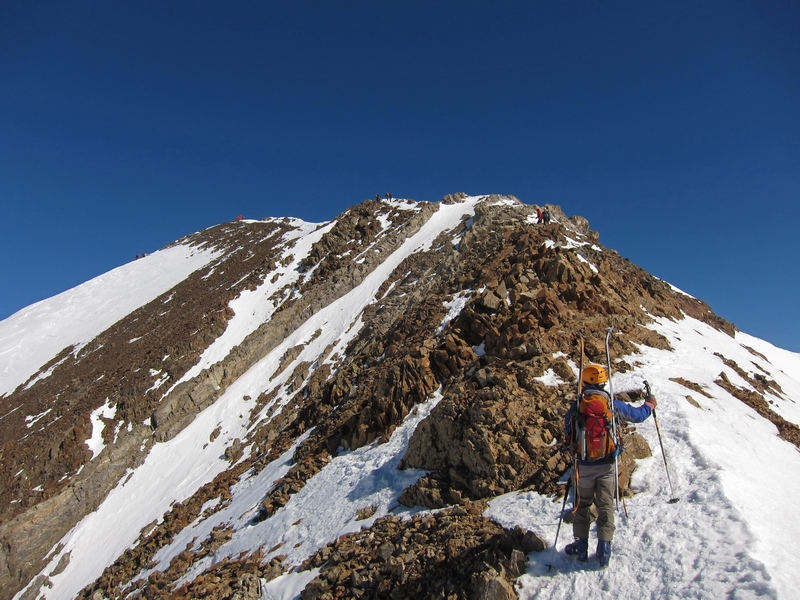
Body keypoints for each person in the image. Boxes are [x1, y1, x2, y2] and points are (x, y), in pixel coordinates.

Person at [563, 364, 657, 566]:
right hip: (607, 464)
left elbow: (568, 431)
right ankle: (604, 550)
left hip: (584, 466)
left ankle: (580, 548)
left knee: (582, 506)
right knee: (605, 506)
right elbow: (638, 416)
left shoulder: (577, 405)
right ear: (603, 382)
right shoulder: (611, 404)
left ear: (585, 382)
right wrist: (650, 404)